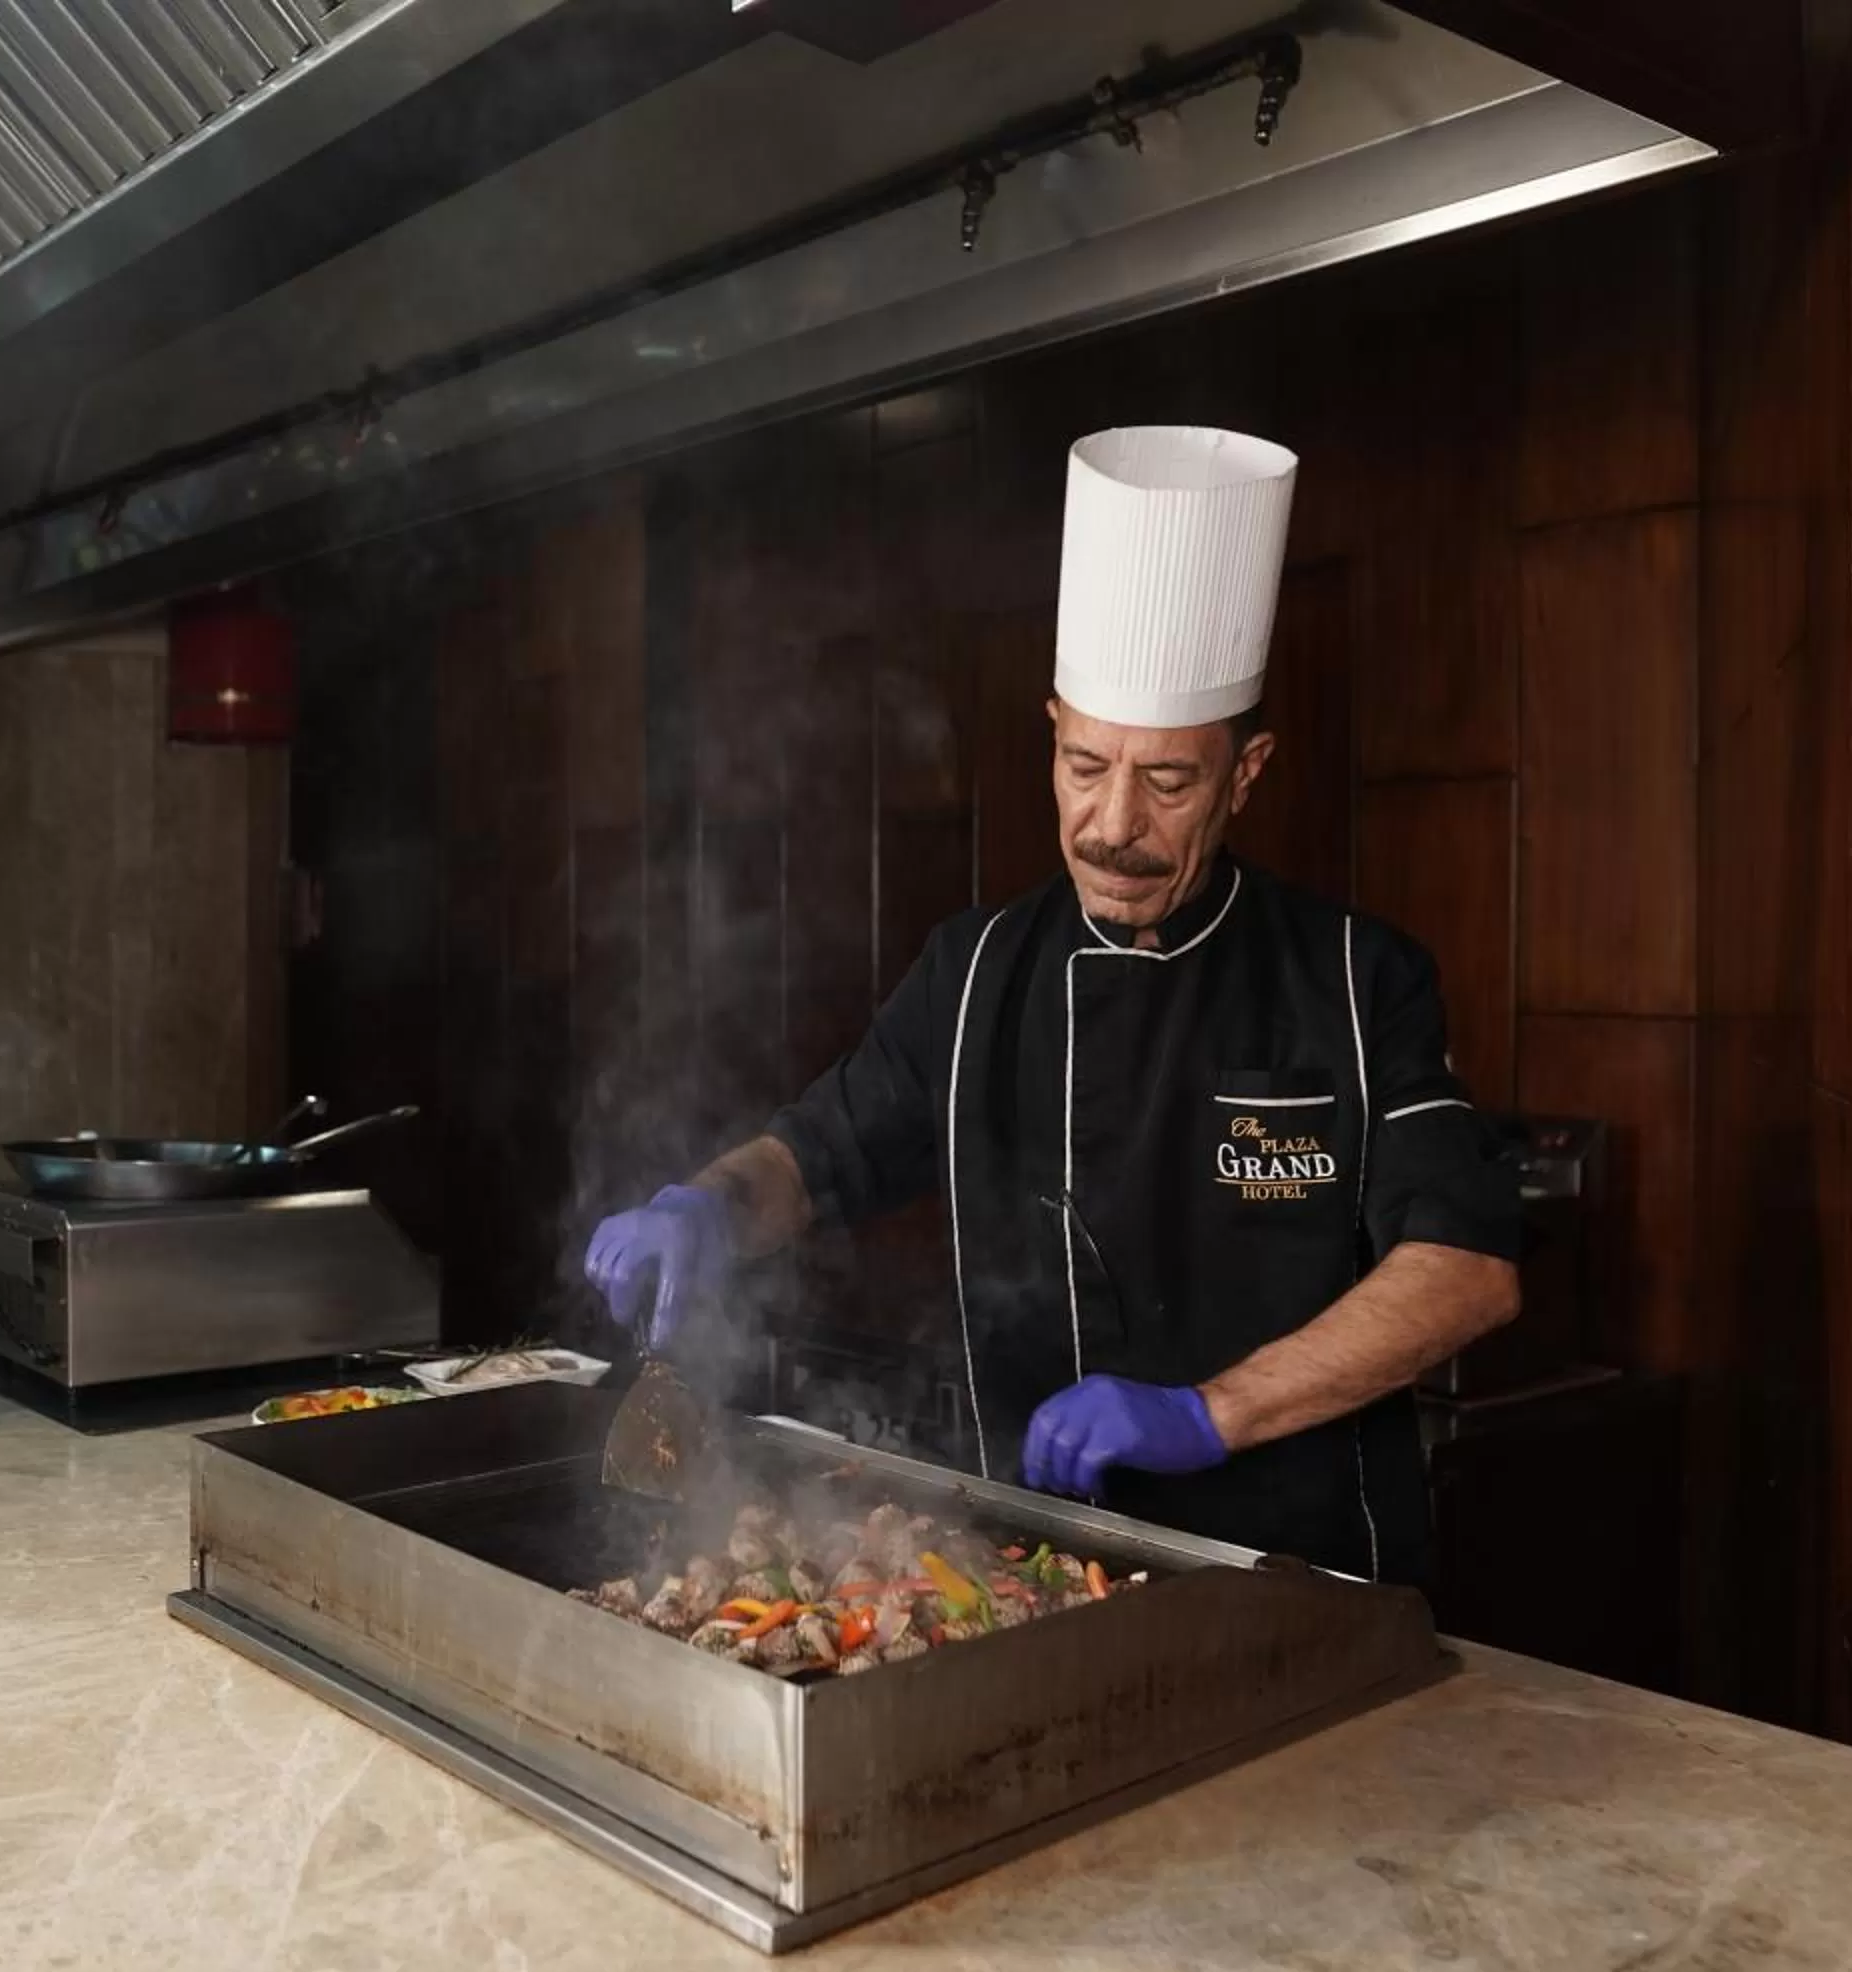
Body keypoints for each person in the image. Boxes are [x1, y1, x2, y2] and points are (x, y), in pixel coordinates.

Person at [584, 426, 1521, 1584]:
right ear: (1051, 739)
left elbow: (1467, 1267)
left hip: (1303, 1589)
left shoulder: (1354, 975)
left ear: (1248, 772)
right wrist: (711, 1204)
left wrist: (1206, 1411)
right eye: (1085, 766)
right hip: (1033, 1582)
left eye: (1168, 780)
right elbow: (821, 1152)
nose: (1114, 823)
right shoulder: (975, 970)